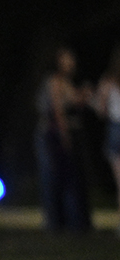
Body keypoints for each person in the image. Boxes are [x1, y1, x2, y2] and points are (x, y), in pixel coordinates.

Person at [34, 45, 91, 233]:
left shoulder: (68, 82)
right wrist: (64, 135)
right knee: (54, 177)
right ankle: (55, 223)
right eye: (66, 59)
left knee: (71, 178)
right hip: (52, 135)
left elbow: (76, 104)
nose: (70, 62)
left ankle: (74, 222)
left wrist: (82, 95)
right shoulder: (55, 81)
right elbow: (58, 111)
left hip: (66, 132)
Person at [92, 46, 120, 233]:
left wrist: (92, 100)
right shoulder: (109, 80)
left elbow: (101, 111)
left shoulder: (107, 81)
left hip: (115, 128)